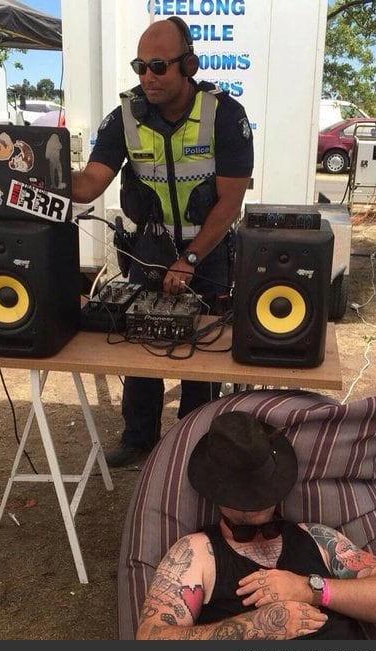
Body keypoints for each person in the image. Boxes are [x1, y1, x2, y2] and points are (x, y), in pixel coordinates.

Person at [71, 18, 254, 467]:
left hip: (207, 251)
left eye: (158, 66)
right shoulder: (125, 117)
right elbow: (90, 183)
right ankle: (139, 439)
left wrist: (191, 257)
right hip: (147, 249)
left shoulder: (224, 114)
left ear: (188, 64)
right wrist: (38, 172)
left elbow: (230, 201)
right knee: (140, 344)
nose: (147, 77)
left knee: (204, 353)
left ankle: (196, 442)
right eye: (140, 67)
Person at [136, 412, 376, 640]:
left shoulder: (317, 537)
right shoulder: (195, 552)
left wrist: (312, 589)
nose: (255, 500)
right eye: (242, 493)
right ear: (214, 492)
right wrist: (254, 628)